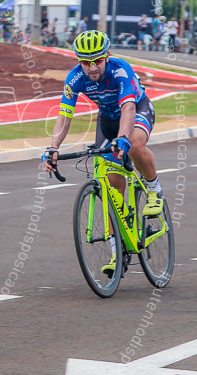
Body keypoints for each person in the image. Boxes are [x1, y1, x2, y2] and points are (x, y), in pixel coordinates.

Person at [42, 30, 165, 276]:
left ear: (107, 55)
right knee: (111, 189)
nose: (92, 67)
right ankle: (117, 252)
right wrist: (53, 147)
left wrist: (122, 139)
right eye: (85, 62)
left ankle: (154, 192)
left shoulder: (120, 70)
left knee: (134, 142)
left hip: (137, 109)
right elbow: (64, 116)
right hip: (108, 119)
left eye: (97, 60)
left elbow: (128, 107)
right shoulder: (75, 78)